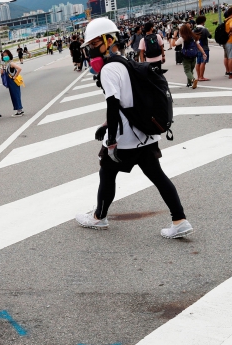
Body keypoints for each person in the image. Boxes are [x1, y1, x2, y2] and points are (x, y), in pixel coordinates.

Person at [75, 18, 193, 239]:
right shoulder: (124, 61)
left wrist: (111, 140)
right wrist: (106, 124)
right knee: (158, 176)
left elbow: (113, 104)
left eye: (93, 44)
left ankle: (99, 217)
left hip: (125, 138)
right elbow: (127, 102)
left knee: (107, 174)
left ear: (108, 40)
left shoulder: (109, 69)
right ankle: (180, 220)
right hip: (144, 133)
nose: (91, 50)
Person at [175, 23, 207, 89]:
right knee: (191, 70)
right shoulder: (194, 36)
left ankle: (193, 80)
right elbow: (198, 46)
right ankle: (189, 83)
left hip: (185, 56)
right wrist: (203, 53)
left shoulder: (182, 38)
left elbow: (174, 44)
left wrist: (174, 36)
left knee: (187, 70)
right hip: (194, 55)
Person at [0, 49, 24, 117]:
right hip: (10, 81)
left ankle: (19, 110)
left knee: (16, 95)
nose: (5, 57)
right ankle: (19, 110)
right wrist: (2, 68)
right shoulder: (5, 64)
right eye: (3, 55)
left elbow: (19, 68)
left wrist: (15, 77)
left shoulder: (11, 63)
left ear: (9, 55)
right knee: (14, 95)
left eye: (6, 55)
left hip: (13, 81)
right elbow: (1, 73)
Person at [193, 16, 212, 81]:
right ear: (203, 22)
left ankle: (198, 76)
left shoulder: (194, 30)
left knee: (198, 62)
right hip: (204, 47)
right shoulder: (204, 29)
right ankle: (201, 76)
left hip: (197, 48)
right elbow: (209, 36)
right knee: (203, 62)